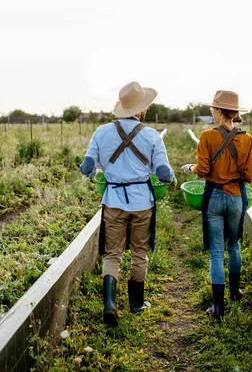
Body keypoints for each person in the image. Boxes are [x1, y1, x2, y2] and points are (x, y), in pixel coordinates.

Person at [80, 81, 175, 327]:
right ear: (142, 109)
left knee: (113, 253)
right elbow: (164, 173)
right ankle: (136, 304)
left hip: (113, 202)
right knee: (139, 253)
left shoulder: (101, 132)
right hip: (142, 204)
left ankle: (110, 304)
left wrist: (95, 173)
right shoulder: (152, 136)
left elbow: (88, 166)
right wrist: (168, 175)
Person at [181, 90, 252, 319]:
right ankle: (235, 292)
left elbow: (202, 170)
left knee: (216, 252)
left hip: (213, 197)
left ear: (221, 112)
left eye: (213, 109)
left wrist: (190, 168)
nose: (211, 112)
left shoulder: (207, 137)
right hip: (235, 197)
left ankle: (218, 307)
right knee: (234, 246)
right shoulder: (247, 139)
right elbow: (250, 175)